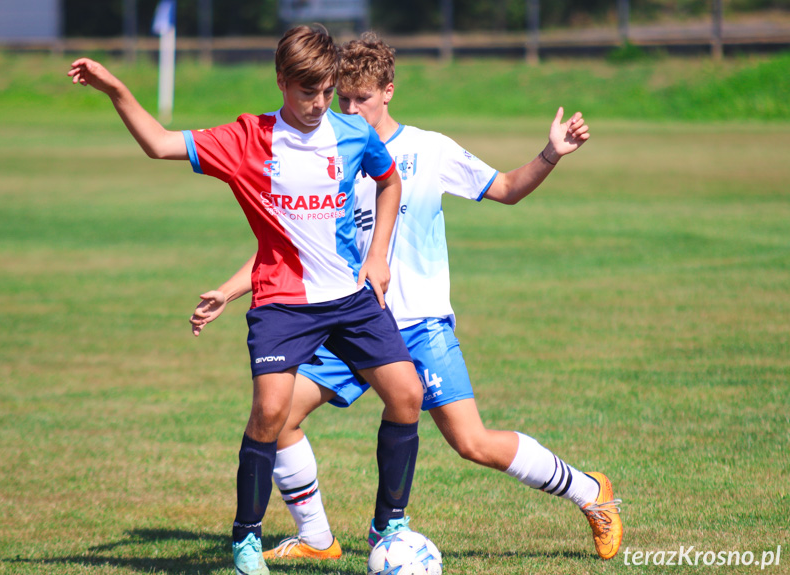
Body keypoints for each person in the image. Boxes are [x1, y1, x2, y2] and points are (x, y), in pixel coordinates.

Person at [191, 32, 623, 562]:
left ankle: (590, 492)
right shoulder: (328, 150)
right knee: (275, 419)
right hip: (347, 320)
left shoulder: (428, 149)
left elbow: (507, 187)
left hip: (418, 325)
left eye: (361, 99)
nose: (349, 108)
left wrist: (551, 154)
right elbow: (292, 249)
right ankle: (317, 539)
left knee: (472, 442)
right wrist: (232, 292)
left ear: (388, 91)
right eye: (341, 97)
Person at [68, 25, 426, 575]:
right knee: (269, 413)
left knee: (406, 395)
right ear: (282, 81)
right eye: (308, 91)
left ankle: (390, 528)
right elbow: (160, 143)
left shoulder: (352, 133)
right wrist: (116, 88)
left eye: (327, 91)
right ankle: (246, 539)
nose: (319, 104)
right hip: (283, 302)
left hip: (351, 298)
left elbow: (390, 182)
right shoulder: (245, 139)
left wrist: (377, 254)